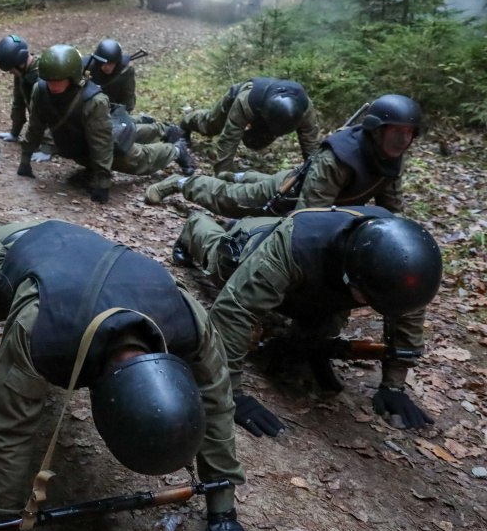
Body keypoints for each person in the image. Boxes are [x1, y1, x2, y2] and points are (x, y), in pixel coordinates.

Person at [0, 220, 265, 531]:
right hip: (11, 252)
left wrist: (223, 509)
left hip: (86, 263)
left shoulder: (188, 322)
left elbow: (216, 404)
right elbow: (4, 432)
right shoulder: (41, 332)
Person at [174, 206, 442, 438]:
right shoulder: (296, 245)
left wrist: (394, 384)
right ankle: (196, 223)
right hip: (257, 245)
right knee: (218, 257)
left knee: (318, 334)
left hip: (316, 280)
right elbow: (234, 310)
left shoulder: (399, 262)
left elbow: (407, 313)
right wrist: (229, 393)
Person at [152, 94, 419, 216]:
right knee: (229, 200)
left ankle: (239, 175)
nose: (403, 139)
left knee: (253, 182)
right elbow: (309, 219)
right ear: (376, 131)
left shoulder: (389, 159)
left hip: (300, 185)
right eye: (396, 131)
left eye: (408, 133)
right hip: (285, 195)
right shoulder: (339, 157)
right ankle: (181, 183)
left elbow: (390, 210)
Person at [17, 45, 194, 204]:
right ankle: (163, 131)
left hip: (100, 140)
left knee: (136, 159)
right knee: (121, 136)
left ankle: (177, 150)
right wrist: (25, 159)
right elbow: (35, 126)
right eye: (49, 80)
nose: (53, 85)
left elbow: (101, 143)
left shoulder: (93, 100)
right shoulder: (40, 91)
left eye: (59, 80)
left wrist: (102, 182)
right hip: (82, 144)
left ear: (71, 77)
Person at [158, 77, 318, 184]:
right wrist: (222, 177)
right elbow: (229, 138)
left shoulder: (305, 111)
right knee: (211, 125)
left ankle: (256, 135)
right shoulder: (246, 101)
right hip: (244, 96)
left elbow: (312, 146)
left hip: (270, 114)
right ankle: (184, 125)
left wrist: (313, 177)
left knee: (255, 143)